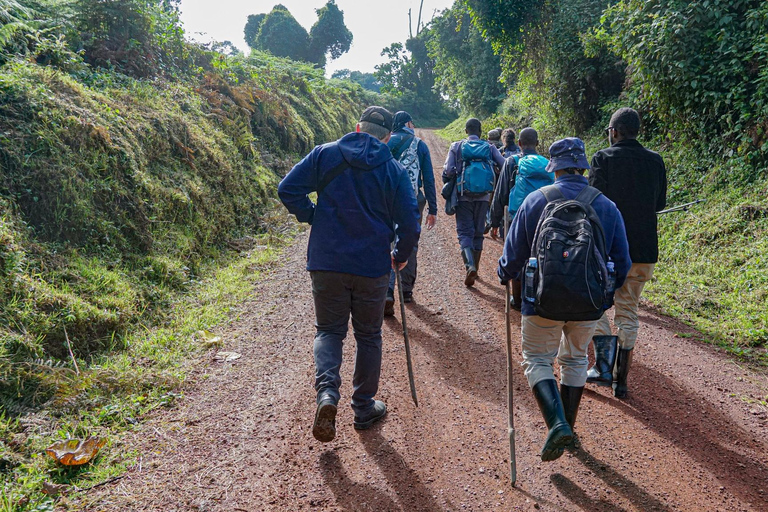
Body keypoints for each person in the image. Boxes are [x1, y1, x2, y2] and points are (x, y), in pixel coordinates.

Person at [278, 106, 420, 443]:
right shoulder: (394, 170)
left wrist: (313, 216)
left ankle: (327, 395)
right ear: (387, 137)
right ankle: (363, 407)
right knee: (369, 335)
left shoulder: (325, 154)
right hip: (371, 266)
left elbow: (288, 189)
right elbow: (411, 224)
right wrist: (399, 257)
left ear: (357, 127)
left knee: (329, 331)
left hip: (326, 261)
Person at [498, 137, 631, 461]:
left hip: (541, 301)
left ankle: (557, 424)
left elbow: (511, 257)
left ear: (553, 167)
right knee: (573, 360)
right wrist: (604, 295)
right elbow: (623, 262)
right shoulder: (606, 205)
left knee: (538, 360)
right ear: (582, 165)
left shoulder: (534, 200)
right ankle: (567, 427)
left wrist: (504, 274)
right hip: (588, 304)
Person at [586, 107, 667, 398]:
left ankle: (603, 367)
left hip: (606, 251)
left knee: (594, 306)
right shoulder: (655, 161)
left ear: (615, 132)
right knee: (628, 312)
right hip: (643, 252)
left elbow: (592, 203)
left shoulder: (602, 159)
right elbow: (659, 203)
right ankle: (621, 382)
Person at [489, 128, 552, 310]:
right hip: (544, 218)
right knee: (539, 255)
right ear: (538, 144)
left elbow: (500, 195)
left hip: (516, 217)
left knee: (517, 254)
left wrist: (494, 222)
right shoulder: (547, 164)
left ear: (520, 144)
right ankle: (538, 294)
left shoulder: (512, 162)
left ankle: (517, 299)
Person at [384, 111, 437, 316]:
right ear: (407, 123)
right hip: (413, 199)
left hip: (387, 200)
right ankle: (406, 291)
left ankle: (388, 290)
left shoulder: (386, 142)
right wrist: (433, 208)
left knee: (388, 241)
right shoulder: (419, 144)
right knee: (410, 241)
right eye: (412, 122)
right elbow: (429, 178)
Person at [443, 118, 506, 286]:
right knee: (478, 232)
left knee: (464, 232)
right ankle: (475, 269)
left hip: (463, 195)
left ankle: (470, 266)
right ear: (480, 132)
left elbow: (448, 170)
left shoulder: (456, 146)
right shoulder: (490, 147)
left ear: (466, 131)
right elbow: (504, 165)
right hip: (484, 196)